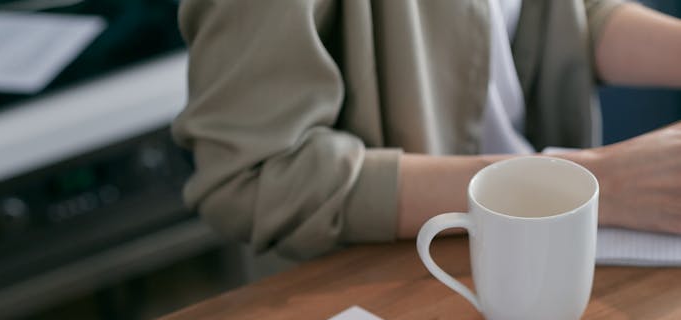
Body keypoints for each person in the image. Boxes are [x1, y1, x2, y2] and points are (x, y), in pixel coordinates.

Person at [172, 0, 681, 261]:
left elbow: (564, 16)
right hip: (384, 290)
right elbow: (254, 173)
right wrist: (592, 184)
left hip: (534, 249)